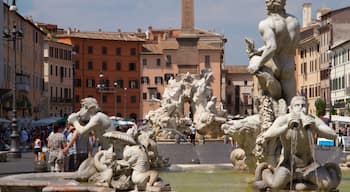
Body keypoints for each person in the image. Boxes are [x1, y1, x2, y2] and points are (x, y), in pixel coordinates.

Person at [255, 96, 340, 191]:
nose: (300, 108)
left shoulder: (312, 120)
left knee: (326, 184)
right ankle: (266, 172)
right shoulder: (283, 119)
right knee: (275, 185)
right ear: (290, 108)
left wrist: (316, 128)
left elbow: (333, 135)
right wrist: (286, 127)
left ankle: (304, 184)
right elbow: (267, 135)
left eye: (303, 105)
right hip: (288, 166)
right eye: (297, 105)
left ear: (307, 107)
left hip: (310, 166)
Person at [246, 0, 299, 105]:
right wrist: (259, 51)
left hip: (274, 66)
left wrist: (258, 64)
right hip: (289, 66)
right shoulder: (294, 22)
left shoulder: (266, 23)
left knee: (268, 102)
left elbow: (271, 47)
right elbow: (283, 45)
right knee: (292, 105)